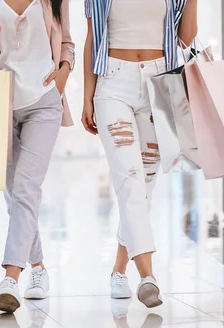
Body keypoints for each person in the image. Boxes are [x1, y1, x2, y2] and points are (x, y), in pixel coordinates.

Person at [81, 0, 198, 308]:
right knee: (128, 178)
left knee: (144, 185)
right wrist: (87, 97)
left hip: (159, 86)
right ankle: (148, 277)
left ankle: (119, 270)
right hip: (112, 84)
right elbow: (92, 40)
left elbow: (185, 38)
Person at [0, 0, 75, 313]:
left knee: (26, 188)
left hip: (44, 101)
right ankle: (39, 267)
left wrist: (64, 72)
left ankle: (10, 277)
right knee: (15, 194)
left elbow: (67, 40)